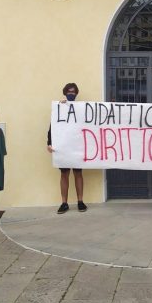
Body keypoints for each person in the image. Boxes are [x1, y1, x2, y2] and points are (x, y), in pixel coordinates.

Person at [47, 83, 87, 214]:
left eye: (74, 92)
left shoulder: (81, 109)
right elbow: (53, 127)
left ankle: (80, 201)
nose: (72, 94)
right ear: (65, 93)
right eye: (69, 91)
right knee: (64, 174)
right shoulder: (60, 108)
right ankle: (64, 203)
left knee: (78, 174)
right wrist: (49, 142)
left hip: (76, 146)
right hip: (63, 147)